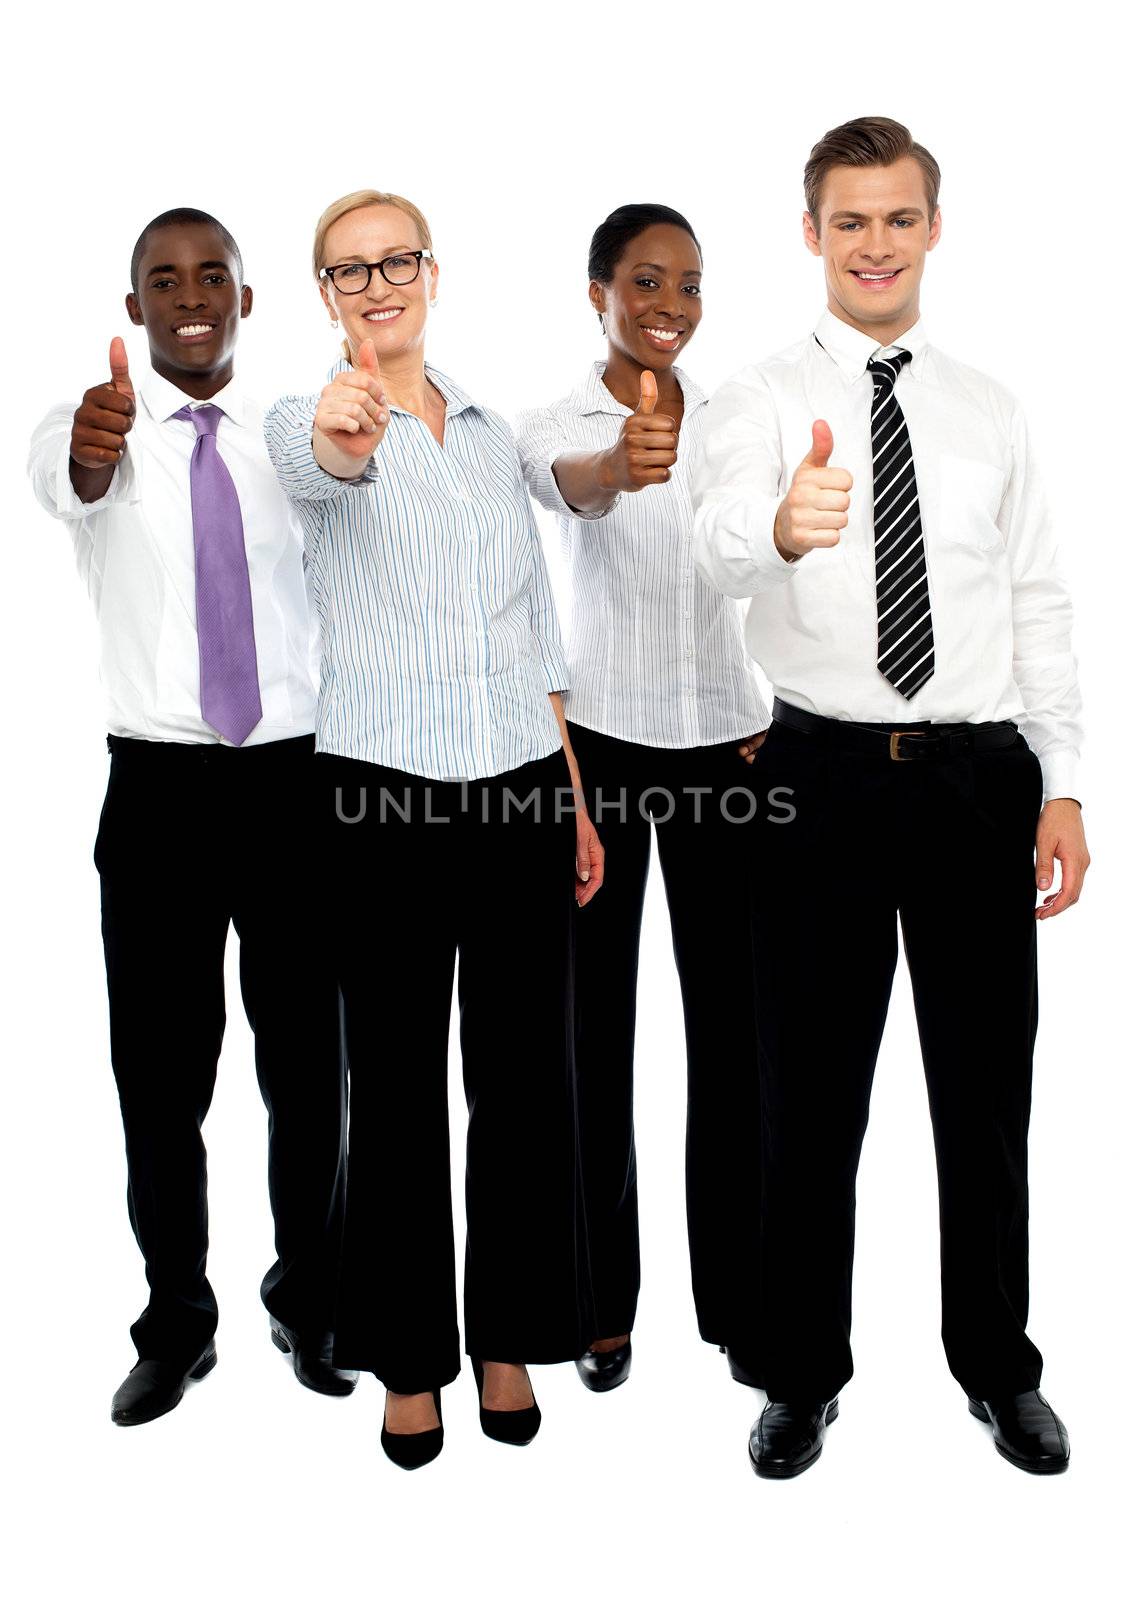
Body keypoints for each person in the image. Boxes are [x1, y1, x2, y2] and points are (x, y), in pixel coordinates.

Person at [693, 116, 1087, 1478]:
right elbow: (716, 544)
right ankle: (799, 1371)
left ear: (932, 228)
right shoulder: (752, 400)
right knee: (808, 1097)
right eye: (848, 220)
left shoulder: (991, 410)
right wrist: (781, 524)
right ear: (812, 235)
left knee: (985, 1097)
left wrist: (1067, 786)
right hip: (821, 778)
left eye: (897, 218)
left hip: (981, 779)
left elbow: (1038, 600)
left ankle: (997, 1365)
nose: (873, 243)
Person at [265, 189, 602, 1471]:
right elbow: (321, 463)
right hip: (384, 804)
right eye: (349, 272)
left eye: (393, 260)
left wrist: (569, 793)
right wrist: (351, 425)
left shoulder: (485, 435)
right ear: (328, 298)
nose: (377, 283)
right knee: (395, 1094)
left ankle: (506, 1337)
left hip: (518, 787)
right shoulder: (310, 419)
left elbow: (531, 630)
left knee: (524, 1087)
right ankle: (410, 1358)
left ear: (431, 271)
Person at [27, 209, 353, 1427]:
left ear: (246, 299)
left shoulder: (290, 437)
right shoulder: (85, 426)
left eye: (210, 273)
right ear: (136, 311)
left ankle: (309, 1298)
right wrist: (93, 447)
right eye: (162, 280)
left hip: (293, 786)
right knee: (160, 1081)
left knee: (310, 1074)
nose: (189, 294)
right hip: (159, 794)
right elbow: (68, 478)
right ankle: (176, 1322)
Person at [517, 204, 770, 1394]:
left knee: (735, 1041)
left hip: (728, 749)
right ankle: (595, 1299)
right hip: (602, 756)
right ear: (596, 293)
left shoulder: (732, 422)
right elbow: (573, 487)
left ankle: (738, 1299)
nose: (668, 303)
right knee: (590, 1042)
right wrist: (618, 464)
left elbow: (765, 557)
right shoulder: (552, 424)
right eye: (644, 282)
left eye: (688, 283)